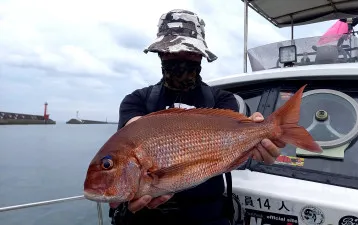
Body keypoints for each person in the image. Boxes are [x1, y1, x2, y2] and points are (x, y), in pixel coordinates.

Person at [109, 9, 284, 225]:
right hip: (146, 216)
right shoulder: (135, 101)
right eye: (172, 53)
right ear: (160, 54)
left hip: (207, 216)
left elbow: (233, 148)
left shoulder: (223, 101)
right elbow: (131, 141)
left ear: (201, 56)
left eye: (190, 54)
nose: (181, 61)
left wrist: (257, 141)